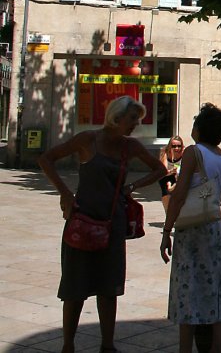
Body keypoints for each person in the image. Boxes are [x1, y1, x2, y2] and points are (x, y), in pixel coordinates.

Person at [38, 95, 166, 353]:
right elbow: (46, 159)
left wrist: (132, 187)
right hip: (82, 220)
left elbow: (159, 170)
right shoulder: (88, 140)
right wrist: (64, 192)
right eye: (132, 120)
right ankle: (68, 345)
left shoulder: (130, 147)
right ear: (116, 118)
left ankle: (108, 344)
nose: (135, 126)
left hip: (112, 223)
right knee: (75, 288)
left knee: (109, 287)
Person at [161, 103, 221, 353]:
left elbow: (179, 195)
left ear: (200, 128)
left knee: (187, 285)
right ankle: (217, 344)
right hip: (214, 226)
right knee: (215, 283)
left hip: (192, 228)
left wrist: (167, 229)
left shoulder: (193, 152)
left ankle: (184, 348)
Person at [159, 136, 185, 213]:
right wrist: (171, 171)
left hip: (179, 176)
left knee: (179, 196)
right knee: (166, 195)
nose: (176, 148)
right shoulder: (165, 153)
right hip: (166, 175)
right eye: (174, 146)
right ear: (170, 146)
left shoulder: (184, 152)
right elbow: (163, 171)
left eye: (179, 146)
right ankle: (168, 214)